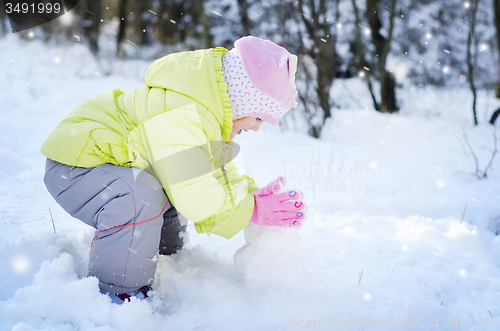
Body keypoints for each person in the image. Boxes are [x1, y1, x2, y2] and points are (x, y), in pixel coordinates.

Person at [41, 36, 307, 304]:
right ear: (242, 99)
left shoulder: (208, 117)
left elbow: (216, 176)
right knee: (141, 194)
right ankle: (119, 293)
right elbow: (197, 196)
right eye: (259, 116)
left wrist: (252, 196)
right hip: (76, 166)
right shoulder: (184, 114)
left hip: (102, 167)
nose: (256, 127)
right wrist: (253, 211)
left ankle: (165, 254)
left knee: (167, 182)